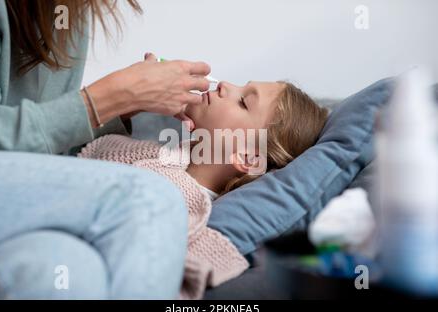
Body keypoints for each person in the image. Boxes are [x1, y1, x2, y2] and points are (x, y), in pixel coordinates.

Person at [0, 0, 211, 299]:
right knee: (149, 199)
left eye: (244, 102)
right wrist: (106, 99)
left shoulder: (67, 11)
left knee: (66, 269)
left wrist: (122, 107)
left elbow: (39, 157)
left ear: (247, 158)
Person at [76, 80, 329, 299]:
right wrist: (125, 105)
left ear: (248, 157)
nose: (225, 85)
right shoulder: (155, 155)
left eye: (243, 102)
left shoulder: (186, 210)